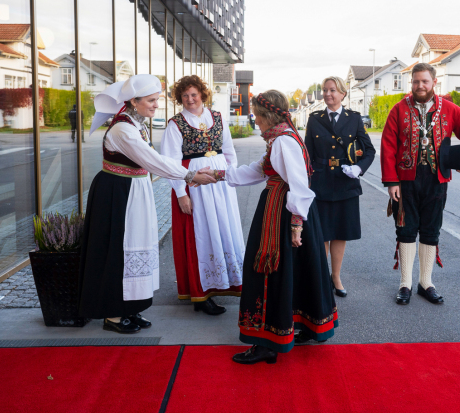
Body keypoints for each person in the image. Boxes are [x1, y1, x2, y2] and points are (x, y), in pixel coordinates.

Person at [78, 75, 217, 334]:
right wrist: (189, 175)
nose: (156, 105)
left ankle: (131, 307)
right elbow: (153, 160)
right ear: (134, 101)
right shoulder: (123, 129)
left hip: (134, 190)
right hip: (117, 194)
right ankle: (114, 315)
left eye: (157, 100)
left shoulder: (135, 124)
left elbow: (151, 161)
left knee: (137, 244)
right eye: (151, 101)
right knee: (118, 249)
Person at [208, 90, 338, 364]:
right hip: (289, 209)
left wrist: (295, 224)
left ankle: (267, 342)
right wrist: (218, 175)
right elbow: (258, 170)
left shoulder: (282, 141)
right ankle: (300, 327)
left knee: (269, 271)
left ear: (268, 115)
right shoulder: (282, 137)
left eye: (256, 114)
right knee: (297, 270)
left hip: (284, 211)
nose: (255, 120)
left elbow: (299, 184)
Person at [381, 63, 460, 306]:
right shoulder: (398, 110)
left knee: (431, 230)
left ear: (434, 82)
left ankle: (425, 282)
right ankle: (405, 284)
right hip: (406, 182)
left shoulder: (450, 109)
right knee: (406, 231)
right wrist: (391, 181)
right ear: (412, 83)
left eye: (425, 81)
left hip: (437, 180)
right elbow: (388, 146)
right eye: (416, 81)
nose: (420, 86)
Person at [159, 75, 244, 315]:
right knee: (201, 235)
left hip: (219, 183)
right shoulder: (176, 124)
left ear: (202, 95)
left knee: (223, 230)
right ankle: (201, 293)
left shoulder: (217, 118)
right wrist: (180, 193)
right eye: (185, 96)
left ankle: (225, 282)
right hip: (193, 186)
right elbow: (170, 162)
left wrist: (230, 177)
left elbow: (230, 152)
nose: (190, 99)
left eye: (194, 94)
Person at [304, 76, 375, 296]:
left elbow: (369, 150)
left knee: (340, 233)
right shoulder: (315, 118)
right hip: (321, 182)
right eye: (325, 90)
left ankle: (336, 277)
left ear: (343, 94)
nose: (328, 94)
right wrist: (305, 181)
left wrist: (359, 169)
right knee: (321, 233)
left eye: (332, 90)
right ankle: (320, 278)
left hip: (345, 182)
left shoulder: (353, 119)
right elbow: (307, 153)